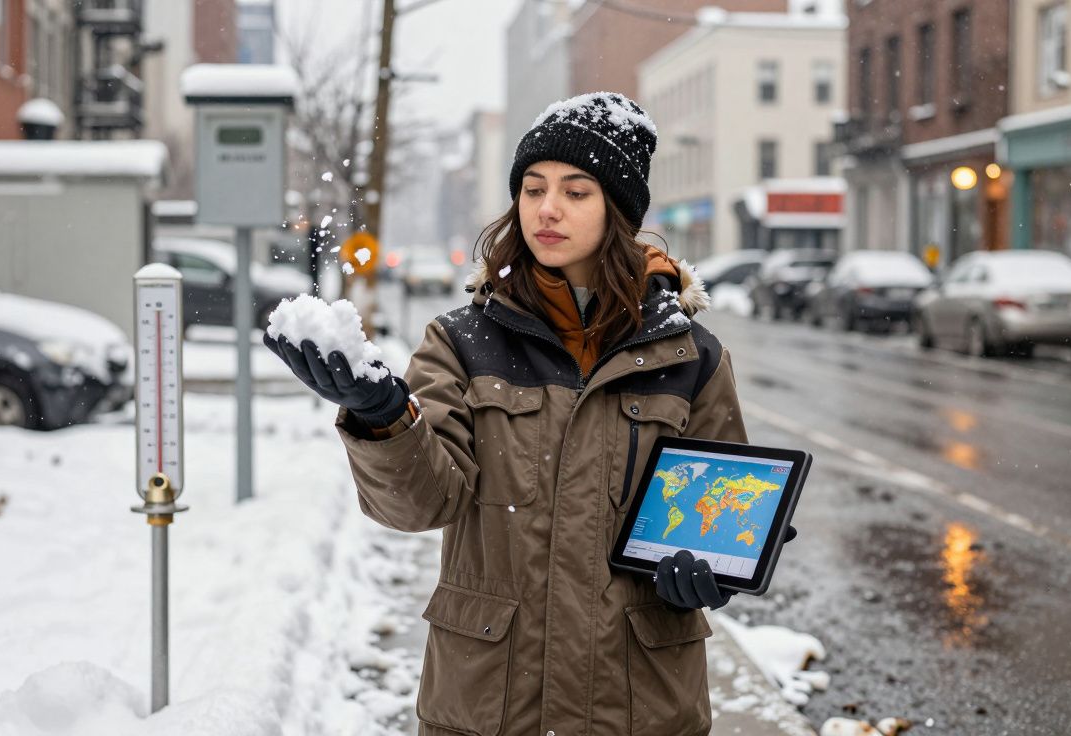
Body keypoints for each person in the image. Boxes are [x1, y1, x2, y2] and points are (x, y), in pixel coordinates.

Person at [266, 92, 789, 735]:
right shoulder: (463, 340)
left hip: (638, 705)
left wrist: (726, 557)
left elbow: (717, 511)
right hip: (493, 702)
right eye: (533, 188)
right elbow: (422, 504)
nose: (547, 208)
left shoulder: (690, 356)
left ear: (617, 210)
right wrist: (385, 418)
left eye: (576, 191)